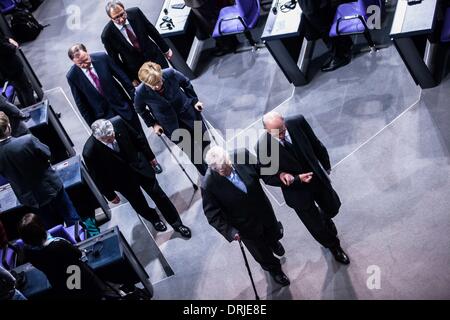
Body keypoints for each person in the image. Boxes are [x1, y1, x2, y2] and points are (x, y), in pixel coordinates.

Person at [257, 112, 350, 265]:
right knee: (317, 227)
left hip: (317, 179)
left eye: (282, 129)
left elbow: (316, 144)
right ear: (266, 130)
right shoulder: (262, 146)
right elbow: (267, 177)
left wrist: (325, 167)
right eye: (276, 132)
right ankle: (334, 247)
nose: (281, 134)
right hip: (297, 192)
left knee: (333, 208)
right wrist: (285, 177)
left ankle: (325, 216)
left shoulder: (297, 122)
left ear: (284, 121)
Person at [83, 118, 192, 238]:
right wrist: (110, 195)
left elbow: (138, 139)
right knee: (139, 204)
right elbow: (98, 176)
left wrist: (150, 157)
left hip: (140, 167)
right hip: (122, 181)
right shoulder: (89, 151)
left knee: (159, 195)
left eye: (113, 134)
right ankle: (154, 219)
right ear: (99, 138)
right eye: (108, 139)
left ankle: (177, 224)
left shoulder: (118, 122)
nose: (113, 138)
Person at [66, 44, 162, 174]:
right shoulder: (72, 76)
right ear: (73, 62)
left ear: (87, 52)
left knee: (139, 135)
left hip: (123, 107)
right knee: (123, 143)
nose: (84, 64)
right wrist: (94, 127)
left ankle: (152, 160)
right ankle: (138, 168)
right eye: (80, 63)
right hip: (104, 116)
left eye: (85, 60)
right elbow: (81, 105)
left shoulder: (102, 58)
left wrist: (135, 100)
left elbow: (122, 78)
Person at [201, 146, 290, 286]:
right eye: (218, 170)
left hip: (263, 210)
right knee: (262, 253)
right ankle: (275, 270)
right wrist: (230, 231)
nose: (222, 171)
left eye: (225, 167)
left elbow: (264, 172)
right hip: (244, 226)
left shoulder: (243, 155)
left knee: (273, 233)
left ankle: (274, 242)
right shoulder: (208, 184)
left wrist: (281, 175)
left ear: (228, 158)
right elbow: (212, 214)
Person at [0, 112, 80, 229]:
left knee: (52, 228)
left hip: (30, 198)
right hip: (50, 186)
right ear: (8, 126)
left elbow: (3, 174)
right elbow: (47, 154)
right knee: (72, 219)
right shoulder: (27, 140)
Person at [134, 62, 210, 176]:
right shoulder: (141, 92)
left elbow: (186, 83)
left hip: (188, 113)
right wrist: (153, 124)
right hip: (171, 126)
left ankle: (215, 165)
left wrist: (194, 100)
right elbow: (139, 109)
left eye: (159, 81)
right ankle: (208, 176)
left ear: (160, 75)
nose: (157, 86)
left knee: (205, 141)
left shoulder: (170, 73)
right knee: (193, 153)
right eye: (152, 85)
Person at [18, 213, 108, 300]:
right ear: (41, 227)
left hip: (58, 284)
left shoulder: (27, 252)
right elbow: (78, 254)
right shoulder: (59, 244)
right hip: (78, 278)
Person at [102, 1, 173, 86]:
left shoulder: (135, 13)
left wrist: (166, 49)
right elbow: (115, 60)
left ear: (124, 10)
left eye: (122, 14)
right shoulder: (107, 35)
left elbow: (151, 30)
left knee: (170, 82)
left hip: (156, 58)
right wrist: (130, 79)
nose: (121, 19)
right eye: (116, 17)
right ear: (110, 18)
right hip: (138, 71)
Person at [298, 0, 353, 72]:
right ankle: (346, 44)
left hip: (311, 5)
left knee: (324, 30)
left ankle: (338, 57)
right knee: (329, 22)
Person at [0, 36, 37, 107]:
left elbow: (4, 39)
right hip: (12, 68)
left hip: (6, 70)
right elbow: (10, 49)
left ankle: (27, 108)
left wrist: (8, 39)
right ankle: (33, 109)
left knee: (19, 89)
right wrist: (13, 44)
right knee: (26, 89)